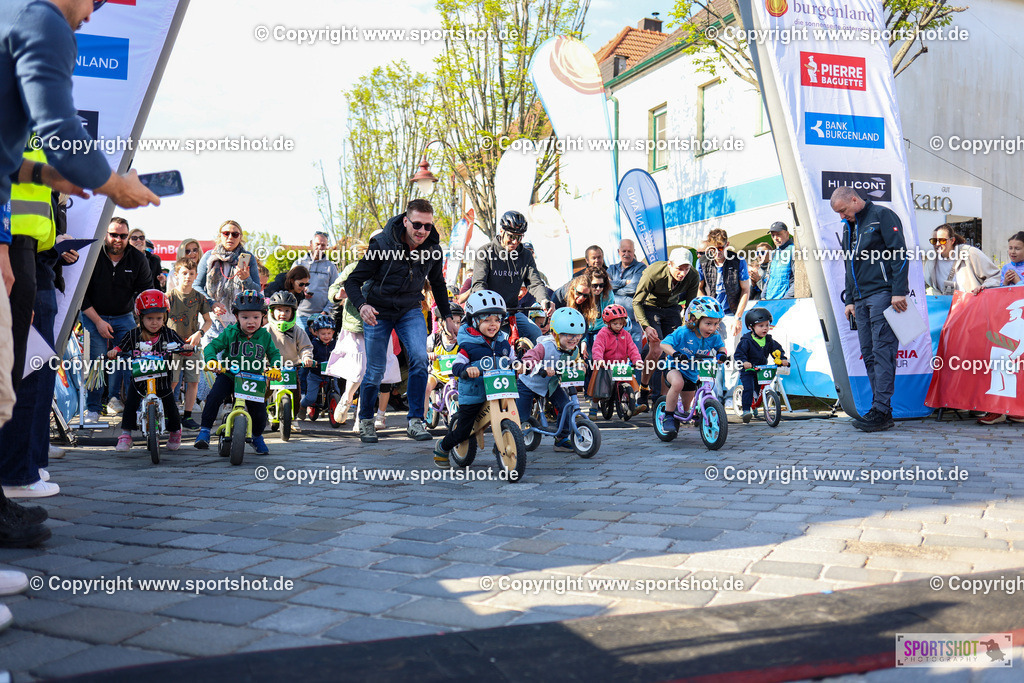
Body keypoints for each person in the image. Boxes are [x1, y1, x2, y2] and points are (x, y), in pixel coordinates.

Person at [343, 198, 457, 444]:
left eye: (427, 226)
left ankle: (415, 420)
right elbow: (351, 281)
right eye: (417, 224)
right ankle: (365, 421)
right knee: (375, 369)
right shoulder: (382, 244)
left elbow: (437, 283)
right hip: (379, 310)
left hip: (409, 309)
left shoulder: (433, 249)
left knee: (419, 358)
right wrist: (362, 306)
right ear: (406, 221)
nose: (422, 231)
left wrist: (447, 316)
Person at [832, 186, 908, 433]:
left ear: (855, 200)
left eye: (843, 210)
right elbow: (848, 265)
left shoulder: (882, 215)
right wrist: (850, 300)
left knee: (883, 351)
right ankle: (881, 410)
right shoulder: (848, 227)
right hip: (861, 300)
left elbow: (899, 253)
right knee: (869, 352)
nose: (842, 217)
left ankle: (881, 409)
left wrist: (899, 290)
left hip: (883, 295)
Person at [80, 217, 154, 421]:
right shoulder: (92, 254)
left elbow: (145, 292)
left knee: (133, 361)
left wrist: (147, 323)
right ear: (106, 234)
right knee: (96, 362)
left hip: (124, 317)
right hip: (93, 315)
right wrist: (98, 322)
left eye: (123, 236)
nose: (118, 239)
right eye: (114, 234)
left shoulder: (138, 259)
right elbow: (80, 294)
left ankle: (136, 408)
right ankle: (93, 408)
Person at [430, 292, 515, 468]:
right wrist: (467, 369)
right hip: (474, 394)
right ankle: (443, 447)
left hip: (499, 390)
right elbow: (457, 366)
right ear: (474, 321)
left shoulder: (504, 344)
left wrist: (520, 365)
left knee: (515, 414)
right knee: (463, 430)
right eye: (486, 319)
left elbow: (514, 360)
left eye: (497, 319)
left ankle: (506, 439)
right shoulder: (469, 346)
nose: (493, 324)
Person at [195, 291, 281, 454]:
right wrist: (212, 360)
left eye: (256, 317)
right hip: (229, 375)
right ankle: (205, 431)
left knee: (260, 412)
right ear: (236, 317)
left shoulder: (265, 336)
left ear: (263, 317)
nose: (251, 322)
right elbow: (211, 347)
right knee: (214, 397)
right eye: (245, 317)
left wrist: (275, 367)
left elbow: (274, 353)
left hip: (253, 379)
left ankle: (256, 436)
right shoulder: (230, 333)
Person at [109, 290, 193, 452]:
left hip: (161, 380)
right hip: (139, 380)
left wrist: (186, 349)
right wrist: (114, 351)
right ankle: (126, 434)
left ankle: (175, 431)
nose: (154, 322)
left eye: (159, 318)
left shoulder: (168, 333)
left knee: (171, 405)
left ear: (165, 318)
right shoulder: (134, 335)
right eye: (149, 318)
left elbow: (182, 347)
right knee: (131, 404)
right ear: (140, 317)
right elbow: (121, 347)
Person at [632, 247, 700, 411]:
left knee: (672, 350)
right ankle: (643, 388)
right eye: (679, 268)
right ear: (669, 264)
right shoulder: (653, 272)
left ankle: (662, 399)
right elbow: (637, 302)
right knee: (656, 349)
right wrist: (646, 327)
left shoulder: (693, 276)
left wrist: (689, 326)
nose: (683, 273)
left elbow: (691, 307)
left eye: (686, 268)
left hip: (671, 309)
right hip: (650, 307)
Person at [471, 210, 554, 343]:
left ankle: (526, 363)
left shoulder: (525, 255)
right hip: (490, 312)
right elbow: (478, 285)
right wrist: (488, 308)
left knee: (535, 333)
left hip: (512, 311)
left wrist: (544, 300)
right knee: (500, 341)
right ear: (501, 231)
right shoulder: (485, 252)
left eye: (519, 237)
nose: (515, 241)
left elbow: (535, 283)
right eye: (511, 236)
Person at [516, 307, 588, 452]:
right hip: (529, 382)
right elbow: (528, 358)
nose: (574, 339)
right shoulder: (545, 346)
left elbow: (576, 360)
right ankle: (510, 438)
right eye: (568, 335)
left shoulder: (574, 349)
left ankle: (561, 439)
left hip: (551, 384)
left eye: (577, 336)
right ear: (555, 334)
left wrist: (580, 366)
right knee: (521, 415)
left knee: (566, 405)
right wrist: (542, 368)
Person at [658, 297, 728, 433]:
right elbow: (663, 344)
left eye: (715, 324)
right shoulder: (683, 332)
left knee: (686, 405)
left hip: (692, 371)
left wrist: (721, 354)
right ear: (694, 320)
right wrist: (676, 354)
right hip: (674, 366)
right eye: (708, 323)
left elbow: (721, 347)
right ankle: (668, 417)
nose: (712, 328)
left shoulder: (714, 336)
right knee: (678, 384)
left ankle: (693, 412)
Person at [194, 220, 260, 346]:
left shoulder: (247, 258)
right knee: (213, 363)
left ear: (240, 237)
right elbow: (196, 286)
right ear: (220, 236)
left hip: (240, 322)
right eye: (226, 233)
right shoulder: (209, 257)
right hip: (212, 320)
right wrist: (211, 303)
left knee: (236, 364)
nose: (230, 237)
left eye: (235, 234)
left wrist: (246, 279)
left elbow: (257, 291)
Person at [167, 258, 212, 430]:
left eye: (191, 273)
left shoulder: (200, 297)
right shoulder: (169, 297)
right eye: (184, 273)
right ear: (177, 275)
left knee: (193, 381)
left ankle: (187, 416)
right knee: (172, 381)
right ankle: (168, 414)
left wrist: (199, 334)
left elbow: (208, 321)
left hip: (192, 345)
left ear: (196, 276)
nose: (188, 277)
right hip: (172, 347)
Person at [734, 308, 789, 423]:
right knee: (749, 388)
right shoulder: (746, 340)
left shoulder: (768, 340)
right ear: (751, 327)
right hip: (748, 370)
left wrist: (782, 359)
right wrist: (744, 362)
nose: (765, 328)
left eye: (767, 325)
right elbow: (739, 354)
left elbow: (776, 350)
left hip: (761, 370)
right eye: (761, 326)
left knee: (759, 389)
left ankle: (755, 405)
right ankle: (745, 411)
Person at [698, 229, 751, 338]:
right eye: (712, 249)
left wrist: (738, 317)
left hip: (731, 313)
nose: (717, 252)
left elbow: (745, 290)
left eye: (720, 248)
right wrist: (708, 310)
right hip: (710, 314)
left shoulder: (738, 261)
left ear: (727, 244)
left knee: (732, 352)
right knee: (711, 352)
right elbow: (698, 289)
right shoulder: (702, 262)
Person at [923, 225, 1000, 295]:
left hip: (972, 305)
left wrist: (984, 287)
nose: (937, 244)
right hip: (947, 308)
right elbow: (926, 286)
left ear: (952, 240)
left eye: (942, 240)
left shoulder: (970, 253)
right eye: (934, 241)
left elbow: (995, 276)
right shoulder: (931, 263)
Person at [588, 304, 641, 402]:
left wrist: (637, 360)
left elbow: (632, 348)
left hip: (620, 365)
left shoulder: (626, 335)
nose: (618, 326)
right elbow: (598, 347)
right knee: (599, 387)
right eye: (615, 323)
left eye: (621, 324)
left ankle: (632, 403)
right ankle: (594, 407)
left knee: (631, 382)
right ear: (608, 323)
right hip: (605, 365)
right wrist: (599, 360)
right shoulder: (603, 333)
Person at [295, 231, 339, 330]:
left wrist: (326, 311)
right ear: (311, 244)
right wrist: (301, 293)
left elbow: (335, 292)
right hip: (300, 316)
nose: (319, 247)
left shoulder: (331, 267)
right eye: (317, 244)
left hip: (322, 317)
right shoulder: (298, 264)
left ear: (327, 247)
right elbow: (289, 287)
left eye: (323, 245)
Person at [425, 303, 463, 418]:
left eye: (458, 322)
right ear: (441, 323)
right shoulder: (433, 339)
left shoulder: (462, 340)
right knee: (426, 388)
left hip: (456, 375)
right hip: (437, 374)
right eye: (452, 322)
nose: (455, 326)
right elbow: (421, 353)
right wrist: (429, 354)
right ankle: (421, 418)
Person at [607, 239, 646, 349]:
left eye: (629, 251)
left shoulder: (640, 267)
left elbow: (635, 288)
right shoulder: (612, 268)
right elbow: (606, 286)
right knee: (614, 355)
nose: (626, 254)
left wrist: (614, 289)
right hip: (612, 321)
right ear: (618, 251)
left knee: (634, 355)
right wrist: (624, 282)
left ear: (634, 252)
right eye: (624, 251)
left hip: (633, 320)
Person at [300, 314, 336, 419]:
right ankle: (302, 406)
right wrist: (309, 361)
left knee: (338, 392)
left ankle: (338, 413)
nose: (326, 336)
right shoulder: (313, 344)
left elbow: (341, 354)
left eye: (329, 333)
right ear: (316, 333)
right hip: (315, 374)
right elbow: (308, 354)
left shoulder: (336, 344)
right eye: (323, 333)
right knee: (311, 398)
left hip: (331, 374)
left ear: (333, 332)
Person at [761, 222, 796, 300]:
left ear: (787, 233)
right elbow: (770, 278)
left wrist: (786, 299)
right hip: (770, 300)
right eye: (773, 235)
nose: (775, 238)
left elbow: (797, 280)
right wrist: (763, 296)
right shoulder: (774, 253)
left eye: (778, 234)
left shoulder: (794, 251)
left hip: (784, 301)